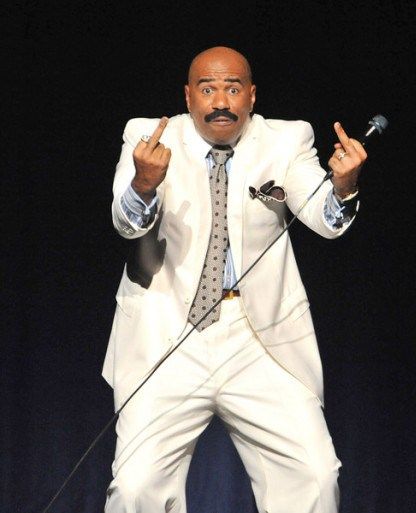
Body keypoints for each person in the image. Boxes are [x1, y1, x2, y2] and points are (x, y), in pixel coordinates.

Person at [102, 46, 366, 513]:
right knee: (136, 487)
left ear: (251, 96)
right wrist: (144, 184)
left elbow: (322, 216)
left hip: (259, 337)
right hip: (169, 334)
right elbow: (127, 225)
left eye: (232, 88)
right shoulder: (148, 137)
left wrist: (343, 188)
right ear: (188, 97)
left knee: (315, 477)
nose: (220, 100)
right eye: (207, 89)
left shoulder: (286, 140)